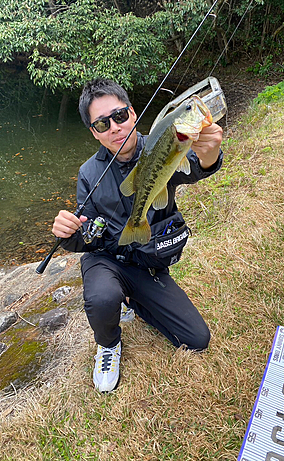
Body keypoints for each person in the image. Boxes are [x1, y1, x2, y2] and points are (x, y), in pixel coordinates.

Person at [52, 78, 223, 393]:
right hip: (106, 260)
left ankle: (136, 300)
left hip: (146, 262)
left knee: (197, 339)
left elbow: (196, 167)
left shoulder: (162, 140)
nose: (114, 128)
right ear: (93, 132)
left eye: (118, 116)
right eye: (102, 124)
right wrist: (69, 233)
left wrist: (210, 153)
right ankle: (108, 345)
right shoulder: (89, 173)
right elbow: (89, 236)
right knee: (102, 297)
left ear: (132, 113)